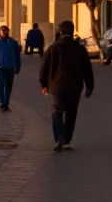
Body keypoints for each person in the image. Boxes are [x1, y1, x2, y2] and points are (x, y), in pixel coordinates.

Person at [39, 20, 94, 152]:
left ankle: (59, 138)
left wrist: (43, 84)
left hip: (55, 87)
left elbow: (43, 68)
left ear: (61, 32)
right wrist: (89, 87)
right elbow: (87, 70)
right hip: (74, 87)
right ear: (73, 32)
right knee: (71, 113)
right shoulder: (80, 49)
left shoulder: (52, 48)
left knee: (57, 112)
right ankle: (67, 141)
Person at [0, 24, 21, 111]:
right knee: (1, 84)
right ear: (0, 32)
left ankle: (6, 103)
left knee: (8, 86)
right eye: (3, 30)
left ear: (8, 31)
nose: (4, 32)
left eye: (6, 30)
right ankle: (2, 103)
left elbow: (18, 55)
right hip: (0, 67)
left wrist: (18, 66)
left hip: (10, 67)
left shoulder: (13, 42)